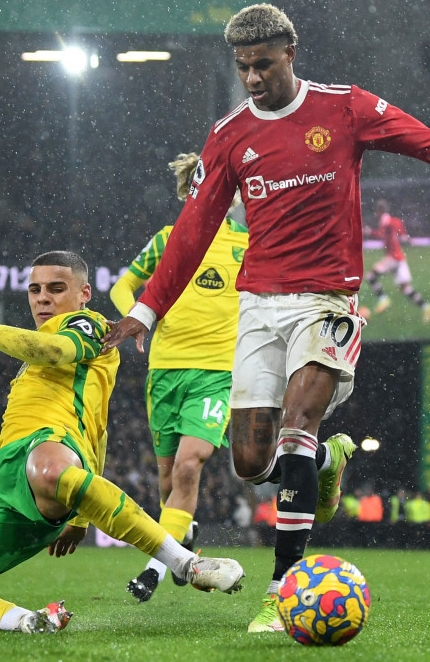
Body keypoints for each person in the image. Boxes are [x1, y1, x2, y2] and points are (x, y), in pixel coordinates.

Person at [103, 3, 430, 632]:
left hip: (327, 300)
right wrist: (145, 309)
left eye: (263, 65)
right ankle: (325, 463)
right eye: (242, 67)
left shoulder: (344, 108)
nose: (252, 79)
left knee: (299, 421)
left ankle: (281, 589)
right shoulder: (230, 135)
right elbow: (194, 229)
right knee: (250, 462)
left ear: (290, 54)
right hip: (260, 307)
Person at [0, 251, 244, 634]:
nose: (43, 298)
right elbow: (99, 434)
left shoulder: (89, 326)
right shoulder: (37, 353)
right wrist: (78, 518)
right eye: (35, 290)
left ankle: (187, 564)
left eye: (56, 289)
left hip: (49, 451)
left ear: (84, 292)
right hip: (4, 478)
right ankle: (28, 621)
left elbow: (55, 351)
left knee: (49, 469)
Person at [110, 153, 249, 602]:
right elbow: (122, 286)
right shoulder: (168, 240)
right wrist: (136, 316)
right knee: (169, 485)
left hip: (215, 374)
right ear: (189, 193)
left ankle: (153, 570)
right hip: (165, 371)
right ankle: (182, 537)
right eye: (196, 188)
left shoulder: (247, 243)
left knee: (190, 466)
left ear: (224, 197)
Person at [364, 198, 430, 322]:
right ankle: (426, 307)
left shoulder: (385, 220)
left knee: (370, 276)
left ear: (380, 211)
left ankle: (383, 299)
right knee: (406, 288)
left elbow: (382, 234)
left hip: (393, 258)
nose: (376, 214)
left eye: (377, 211)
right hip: (400, 258)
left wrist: (370, 232)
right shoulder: (395, 220)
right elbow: (402, 235)